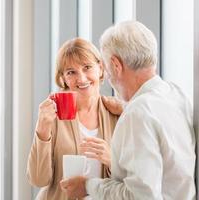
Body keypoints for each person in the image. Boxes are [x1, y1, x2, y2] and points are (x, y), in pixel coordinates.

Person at [60, 20, 196, 200]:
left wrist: (87, 185)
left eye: (107, 68)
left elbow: (140, 196)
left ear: (116, 65)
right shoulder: (176, 95)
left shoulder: (136, 114)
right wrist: (126, 108)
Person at [26, 38, 119, 199]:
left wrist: (112, 160)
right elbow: (38, 179)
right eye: (71, 72)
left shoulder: (117, 114)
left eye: (87, 67)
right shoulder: (53, 116)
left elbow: (136, 180)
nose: (82, 79)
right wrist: (42, 128)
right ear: (63, 78)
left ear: (101, 68)